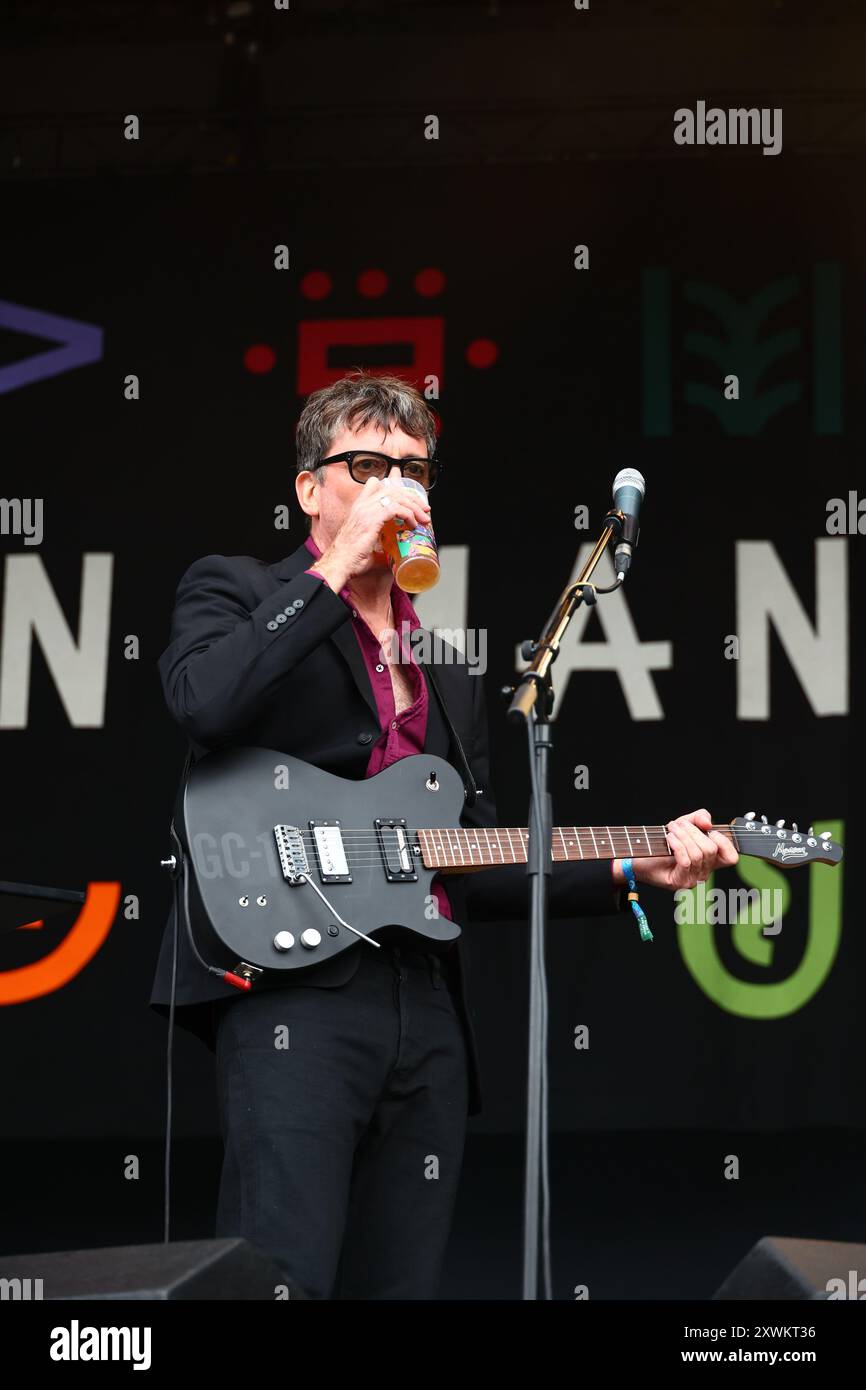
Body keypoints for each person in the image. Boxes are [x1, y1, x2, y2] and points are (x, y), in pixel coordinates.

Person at [149, 369, 738, 1299]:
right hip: (294, 990)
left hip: (423, 1008)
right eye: (367, 465)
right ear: (310, 488)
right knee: (281, 1275)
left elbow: (473, 861)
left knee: (405, 1282)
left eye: (414, 471)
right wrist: (336, 569)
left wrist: (633, 865)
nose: (396, 487)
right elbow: (206, 701)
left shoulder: (447, 665)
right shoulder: (234, 588)